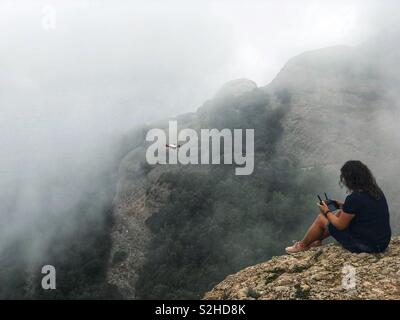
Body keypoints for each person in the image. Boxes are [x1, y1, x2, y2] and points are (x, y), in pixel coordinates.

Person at [286, 160, 392, 254]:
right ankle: (315, 241)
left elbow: (340, 226)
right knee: (342, 212)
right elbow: (363, 208)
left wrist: (326, 211)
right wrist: (341, 205)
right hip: (382, 243)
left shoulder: (354, 198)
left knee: (321, 219)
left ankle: (302, 246)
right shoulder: (375, 191)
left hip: (366, 246)